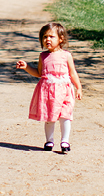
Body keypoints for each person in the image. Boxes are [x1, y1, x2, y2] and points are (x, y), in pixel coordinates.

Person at [16, 22, 82, 152]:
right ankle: (49, 141)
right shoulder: (43, 56)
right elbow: (39, 73)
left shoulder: (66, 55)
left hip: (64, 91)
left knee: (65, 116)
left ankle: (65, 142)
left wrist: (78, 87)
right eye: (45, 37)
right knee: (49, 117)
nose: (47, 40)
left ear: (61, 39)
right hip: (48, 92)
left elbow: (73, 73)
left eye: (51, 37)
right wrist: (27, 67)